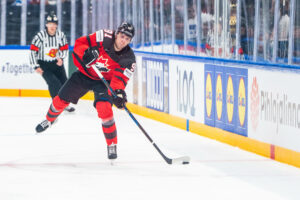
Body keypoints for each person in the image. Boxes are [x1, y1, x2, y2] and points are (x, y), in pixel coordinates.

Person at [35, 22, 136, 161]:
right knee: (60, 101)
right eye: (122, 36)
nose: (123, 40)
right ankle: (49, 120)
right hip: (84, 74)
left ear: (130, 41)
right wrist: (85, 54)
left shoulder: (129, 59)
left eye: (127, 39)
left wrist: (118, 93)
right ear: (117, 33)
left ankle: (111, 144)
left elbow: (120, 79)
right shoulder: (103, 36)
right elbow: (80, 44)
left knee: (105, 109)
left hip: (103, 83)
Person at [29, 13, 75, 112]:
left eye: (54, 24)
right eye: (50, 24)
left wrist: (61, 58)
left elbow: (65, 48)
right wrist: (35, 66)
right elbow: (33, 51)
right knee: (54, 83)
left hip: (56, 63)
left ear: (57, 25)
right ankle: (56, 105)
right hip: (44, 64)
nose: (52, 26)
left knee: (65, 84)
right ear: (46, 25)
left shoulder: (60, 35)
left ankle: (65, 105)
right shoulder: (40, 36)